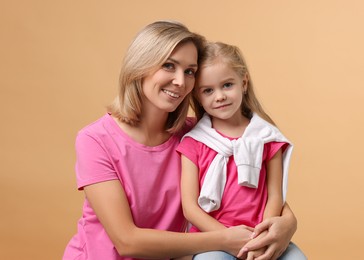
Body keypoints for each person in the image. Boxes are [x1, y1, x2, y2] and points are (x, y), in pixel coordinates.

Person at [63, 21, 299, 260]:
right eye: (169, 66)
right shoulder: (94, 140)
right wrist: (227, 239)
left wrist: (288, 223)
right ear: (139, 66)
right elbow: (127, 242)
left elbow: (254, 192)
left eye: (190, 71)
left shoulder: (199, 136)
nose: (180, 81)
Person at [177, 42, 306, 260]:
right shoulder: (193, 143)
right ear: (198, 96)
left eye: (227, 85)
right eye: (208, 90)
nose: (219, 96)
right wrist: (227, 239)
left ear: (243, 82)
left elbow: (275, 195)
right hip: (214, 240)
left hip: (260, 235)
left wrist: (261, 237)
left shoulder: (266, 136)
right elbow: (190, 208)